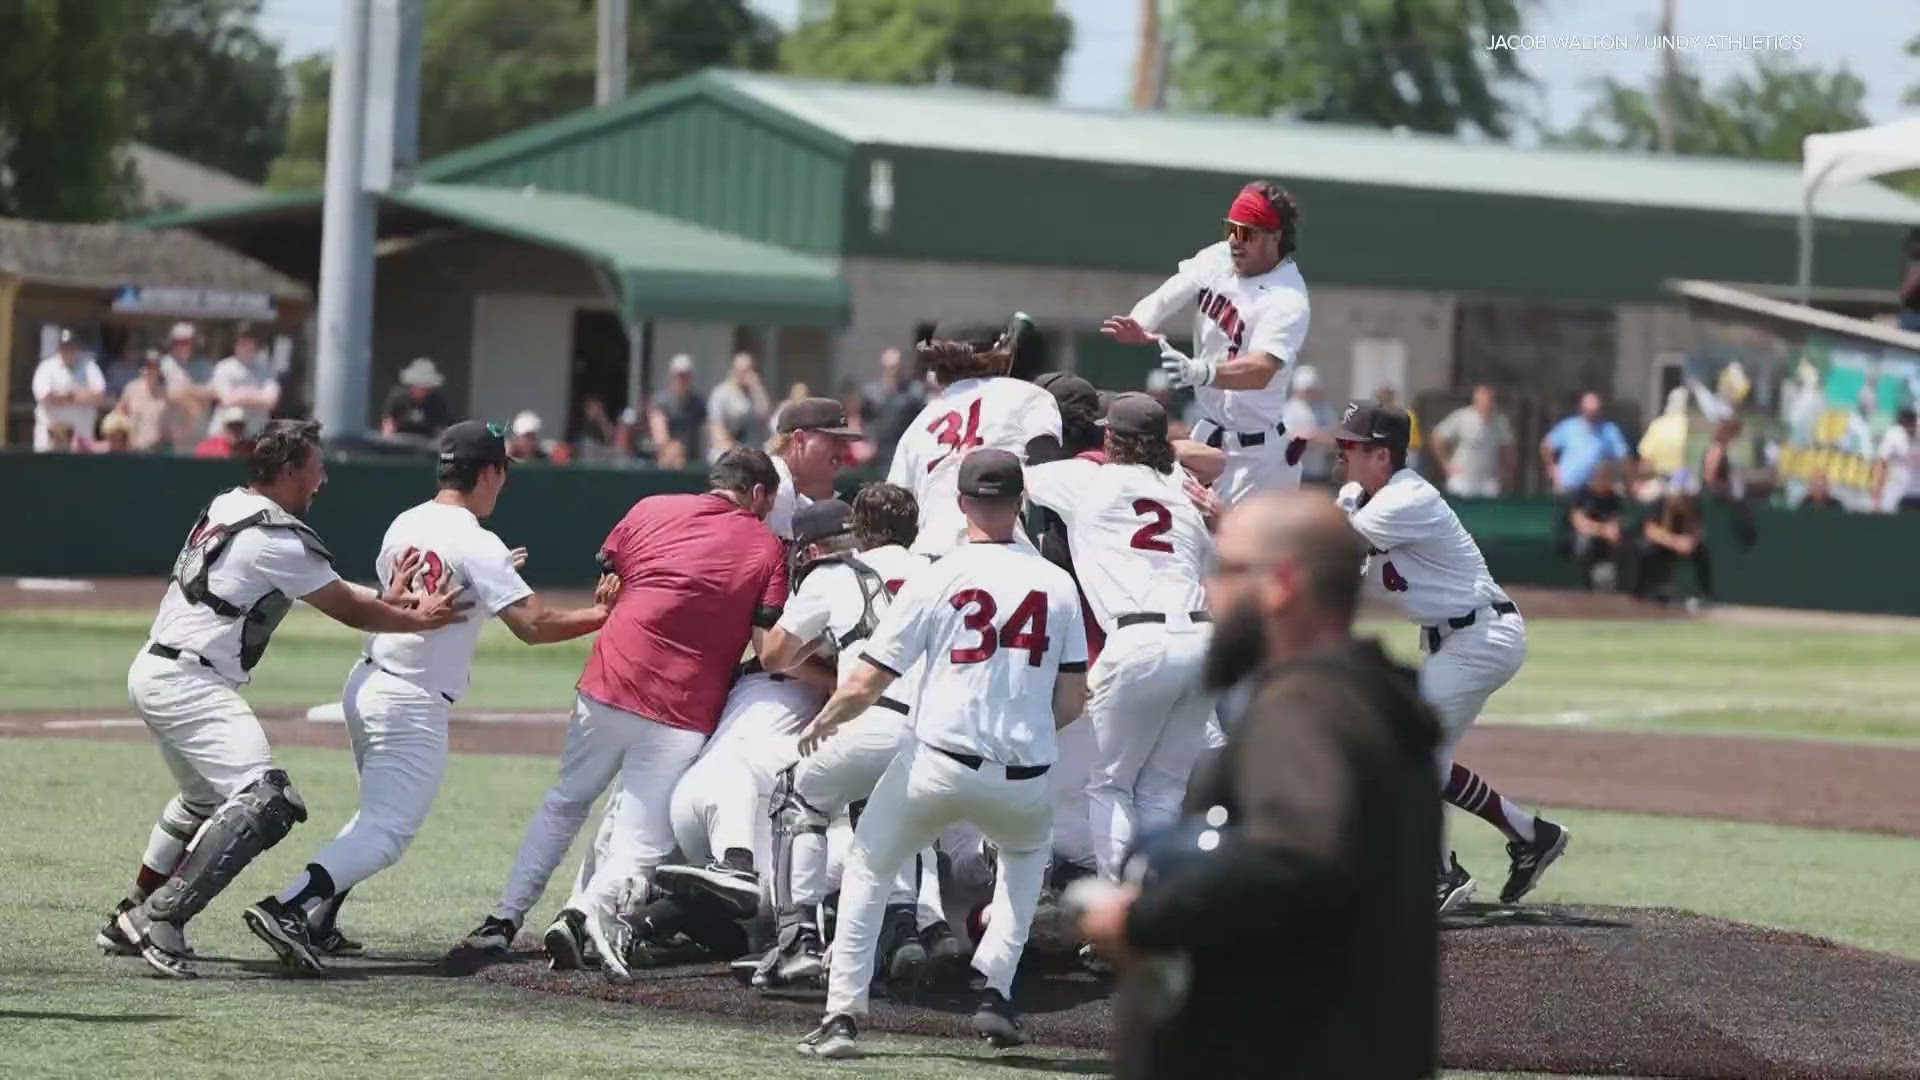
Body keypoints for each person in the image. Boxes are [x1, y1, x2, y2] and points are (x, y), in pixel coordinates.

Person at [1076, 492, 1444, 1080]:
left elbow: (1298, 852)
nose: (1210, 591)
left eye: (1224, 569)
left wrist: (1143, 918)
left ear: (1282, 584)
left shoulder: (1304, 705)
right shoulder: (1372, 701)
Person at [242, 421, 619, 972]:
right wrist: (606, 614)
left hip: (370, 681)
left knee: (374, 815)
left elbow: (418, 591)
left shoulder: (407, 521)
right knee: (389, 830)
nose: (503, 483)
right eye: (503, 471)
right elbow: (535, 626)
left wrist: (490, 578)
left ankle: (319, 915)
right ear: (488, 472)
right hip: (411, 699)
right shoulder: (477, 542)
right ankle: (291, 907)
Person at [100, 420, 468, 979]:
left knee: (201, 800)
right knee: (267, 799)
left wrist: (386, 600)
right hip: (188, 682)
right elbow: (346, 607)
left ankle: (129, 914)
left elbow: (337, 592)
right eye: (318, 466)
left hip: (155, 667)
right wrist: (414, 614)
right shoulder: (277, 537)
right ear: (291, 469)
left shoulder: (231, 504)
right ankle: (164, 919)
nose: (323, 479)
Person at [795, 449, 1089, 1059]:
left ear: (961, 505)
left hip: (938, 762)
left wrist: (828, 720)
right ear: (1021, 504)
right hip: (1024, 772)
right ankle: (996, 994)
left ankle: (843, 1017)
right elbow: (1071, 700)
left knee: (871, 867)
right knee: (1025, 862)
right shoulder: (1058, 583)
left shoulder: (938, 573)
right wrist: (1023, 731)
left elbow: (867, 681)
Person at [457, 448, 788, 983]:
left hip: (609, 679)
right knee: (643, 838)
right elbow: (765, 640)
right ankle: (581, 914)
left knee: (565, 802)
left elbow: (610, 578)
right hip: (683, 705)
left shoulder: (650, 507)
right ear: (756, 494)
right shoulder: (767, 544)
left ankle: (505, 917)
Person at [1332, 401, 1568, 913]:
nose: (1339, 453)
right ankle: (1531, 837)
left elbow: (1335, 544)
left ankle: (1442, 875)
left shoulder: (1406, 497)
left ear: (1382, 455)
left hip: (1480, 636)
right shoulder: (1377, 497)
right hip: (1461, 639)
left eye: (1349, 446)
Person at [746, 485, 956, 988]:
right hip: (943, 729)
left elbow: (774, 655)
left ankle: (798, 940)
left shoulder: (837, 575)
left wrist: (819, 643)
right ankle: (911, 928)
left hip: (875, 717)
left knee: (796, 798)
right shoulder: (942, 569)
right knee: (890, 819)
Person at [1024, 394, 1215, 885]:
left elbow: (1026, 469)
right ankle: (1161, 912)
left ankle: (1123, 917)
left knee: (1109, 785)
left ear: (1110, 438)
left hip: (1140, 640)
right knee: (1163, 791)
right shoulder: (1183, 490)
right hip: (1202, 639)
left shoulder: (1088, 480)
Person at [1103, 180, 1311, 507]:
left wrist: (1201, 371)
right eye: (1231, 228)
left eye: (1247, 233)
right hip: (1206, 435)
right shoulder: (1217, 258)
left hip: (1255, 457)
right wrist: (1141, 322)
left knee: (1233, 549)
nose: (1234, 241)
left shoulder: (1287, 298)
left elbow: (1261, 369)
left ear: (1275, 236)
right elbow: (1167, 295)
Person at [886, 317, 1063, 557]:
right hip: (1006, 549)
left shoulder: (919, 424)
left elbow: (894, 508)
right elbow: (1049, 471)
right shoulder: (1030, 396)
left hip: (930, 557)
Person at [766, 397, 862, 540]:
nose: (844, 451)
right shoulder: (772, 489)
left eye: (844, 442)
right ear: (799, 439)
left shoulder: (799, 499)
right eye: (834, 440)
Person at [1624, 490, 1713, 605]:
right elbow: (1650, 531)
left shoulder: (1694, 505)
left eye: (1686, 496)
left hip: (1683, 546)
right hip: (1663, 545)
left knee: (1702, 551)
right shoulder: (1660, 503)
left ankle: (1704, 594)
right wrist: (1675, 542)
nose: (1683, 499)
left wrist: (1691, 542)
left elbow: (1699, 530)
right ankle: (1640, 593)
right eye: (1680, 495)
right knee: (1644, 548)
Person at [1432, 385, 1517, 498]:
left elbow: (1508, 447)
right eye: (1483, 400)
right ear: (1476, 401)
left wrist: (1505, 471)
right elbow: (1438, 436)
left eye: (1490, 400)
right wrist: (1445, 463)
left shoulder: (1500, 421)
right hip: (1462, 476)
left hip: (1489, 478)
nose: (1487, 403)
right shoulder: (1461, 416)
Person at [1542, 391, 1633, 495]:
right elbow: (1546, 446)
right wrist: (1552, 468)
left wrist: (1629, 481)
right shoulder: (1569, 426)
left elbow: (1623, 456)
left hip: (1597, 490)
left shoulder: (1609, 430)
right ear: (1582, 409)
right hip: (1568, 487)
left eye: (1595, 411)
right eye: (1588, 411)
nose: (1592, 415)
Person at [32, 329, 107, 451]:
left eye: (71, 346)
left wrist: (64, 397)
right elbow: (46, 398)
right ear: (59, 348)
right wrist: (76, 396)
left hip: (82, 439)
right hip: (51, 439)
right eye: (64, 346)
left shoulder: (89, 366)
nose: (68, 350)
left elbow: (99, 396)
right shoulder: (46, 367)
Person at [207, 326, 280, 437]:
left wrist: (242, 394)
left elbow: (271, 401)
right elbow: (226, 400)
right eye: (242, 344)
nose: (246, 347)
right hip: (225, 434)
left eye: (249, 343)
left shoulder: (266, 370)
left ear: (255, 345)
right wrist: (257, 396)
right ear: (235, 345)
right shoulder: (223, 367)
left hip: (257, 434)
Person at [1568, 461, 1627, 591]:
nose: (1603, 479)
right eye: (1600, 476)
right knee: (1584, 541)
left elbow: (1616, 524)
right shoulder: (1582, 494)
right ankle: (1582, 585)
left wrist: (1611, 531)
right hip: (1581, 540)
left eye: (1607, 476)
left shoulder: (1615, 498)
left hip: (1606, 543)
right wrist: (1602, 530)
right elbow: (1579, 523)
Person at [862, 347, 926, 465]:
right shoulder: (872, 393)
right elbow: (864, 420)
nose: (896, 370)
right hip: (879, 451)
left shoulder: (914, 392)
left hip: (905, 449)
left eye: (898, 366)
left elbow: (922, 420)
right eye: (892, 367)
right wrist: (867, 443)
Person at [708, 352, 773, 461]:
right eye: (743, 371)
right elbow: (717, 431)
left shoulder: (756, 393)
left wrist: (757, 387)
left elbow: (767, 417)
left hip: (755, 449)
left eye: (750, 370)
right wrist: (736, 452)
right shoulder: (721, 394)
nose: (748, 374)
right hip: (728, 449)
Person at [160, 322, 218, 443]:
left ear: (194, 343)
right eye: (177, 342)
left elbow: (213, 392)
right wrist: (194, 392)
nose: (181, 345)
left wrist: (186, 390)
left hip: (199, 432)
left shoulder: (205, 365)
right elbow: (165, 394)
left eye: (186, 342)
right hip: (171, 432)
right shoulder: (163, 364)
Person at [648, 354, 708, 467]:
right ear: (671, 376)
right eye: (679, 375)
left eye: (685, 375)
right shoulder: (661, 401)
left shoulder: (699, 402)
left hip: (693, 459)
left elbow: (708, 430)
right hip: (667, 458)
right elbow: (660, 436)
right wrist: (672, 449)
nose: (682, 379)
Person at [119, 352, 183, 452]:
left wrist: (179, 431)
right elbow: (118, 413)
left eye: (154, 367)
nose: (150, 370)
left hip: (158, 449)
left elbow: (189, 409)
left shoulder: (167, 392)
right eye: (148, 366)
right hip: (133, 449)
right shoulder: (131, 388)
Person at [1636, 387, 1693, 487]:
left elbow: (1646, 461)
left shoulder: (1657, 425)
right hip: (1687, 481)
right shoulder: (1693, 425)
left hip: (1661, 482)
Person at [382, 358, 452, 439]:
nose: (422, 391)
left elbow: (441, 428)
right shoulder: (398, 396)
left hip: (428, 442)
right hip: (400, 440)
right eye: (419, 387)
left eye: (426, 388)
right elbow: (389, 423)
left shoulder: (438, 401)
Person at [1873, 406, 1918, 513]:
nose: (1909, 425)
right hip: (1898, 493)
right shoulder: (1894, 435)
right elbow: (1881, 464)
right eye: (1906, 422)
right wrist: (1877, 493)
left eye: (1912, 421)